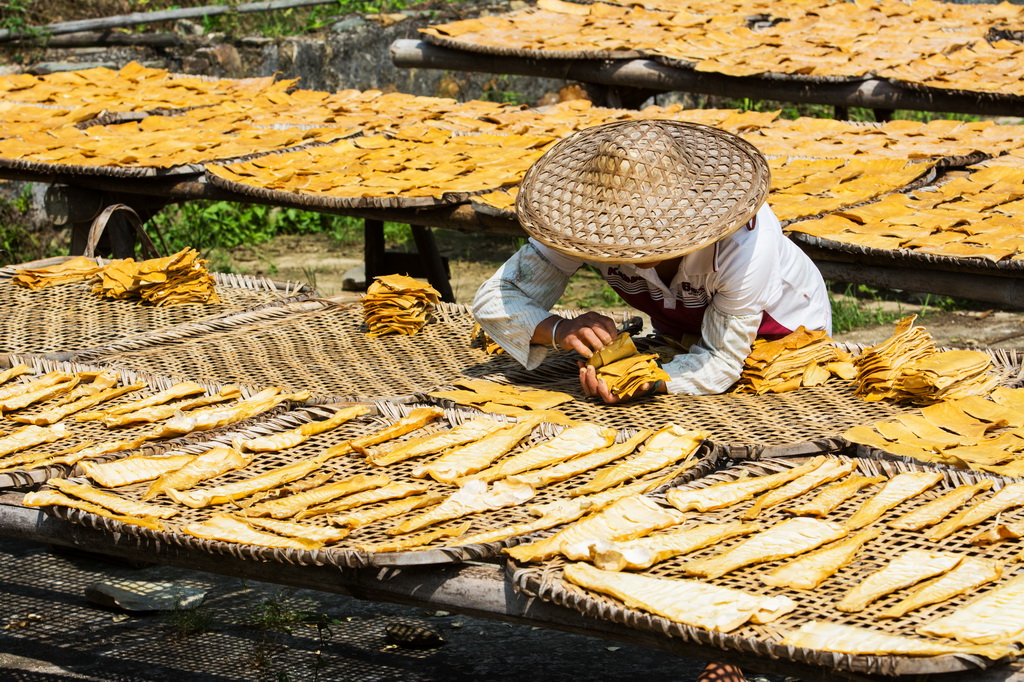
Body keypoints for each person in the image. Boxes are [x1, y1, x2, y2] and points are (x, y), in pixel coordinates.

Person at [474, 119, 831, 402]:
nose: (637, 249)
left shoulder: (745, 245)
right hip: (682, 334)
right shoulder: (582, 226)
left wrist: (643, 382)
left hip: (782, 336)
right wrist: (558, 330)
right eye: (619, 235)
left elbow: (722, 360)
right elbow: (495, 298)